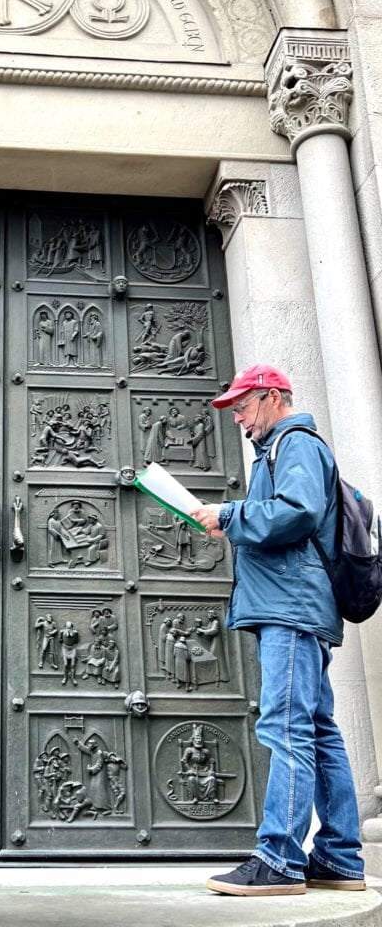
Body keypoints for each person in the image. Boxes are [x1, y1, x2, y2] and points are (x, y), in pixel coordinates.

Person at [190, 364, 365, 896]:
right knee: (317, 730)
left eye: (242, 406)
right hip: (297, 607)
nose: (237, 418)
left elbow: (299, 512)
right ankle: (338, 858)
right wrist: (238, 520)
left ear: (272, 396)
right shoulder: (278, 449)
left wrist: (230, 515)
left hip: (291, 608)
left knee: (286, 728)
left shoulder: (295, 443)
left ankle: (280, 859)